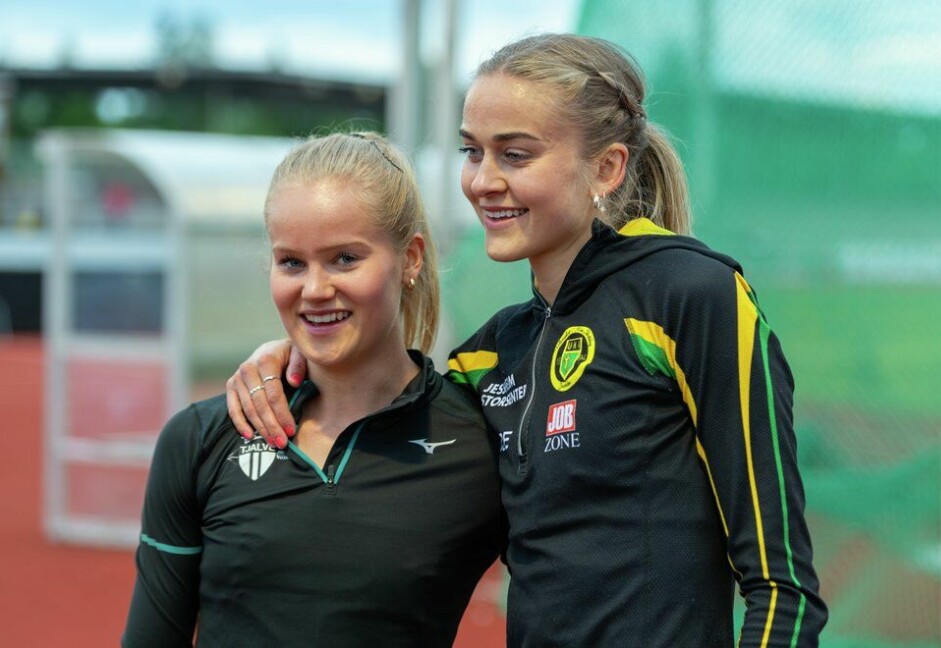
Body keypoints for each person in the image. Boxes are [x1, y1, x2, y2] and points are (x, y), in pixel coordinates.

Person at [227, 34, 828, 647]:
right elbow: (383, 412)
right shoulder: (488, 357)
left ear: (607, 167)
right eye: (471, 151)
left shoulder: (691, 297)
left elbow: (782, 588)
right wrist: (290, 356)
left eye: (514, 155)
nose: (483, 181)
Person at [122, 132, 503, 647]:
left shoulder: (481, 442)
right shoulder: (199, 439)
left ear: (411, 258)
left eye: (345, 258)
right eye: (292, 262)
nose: (315, 290)